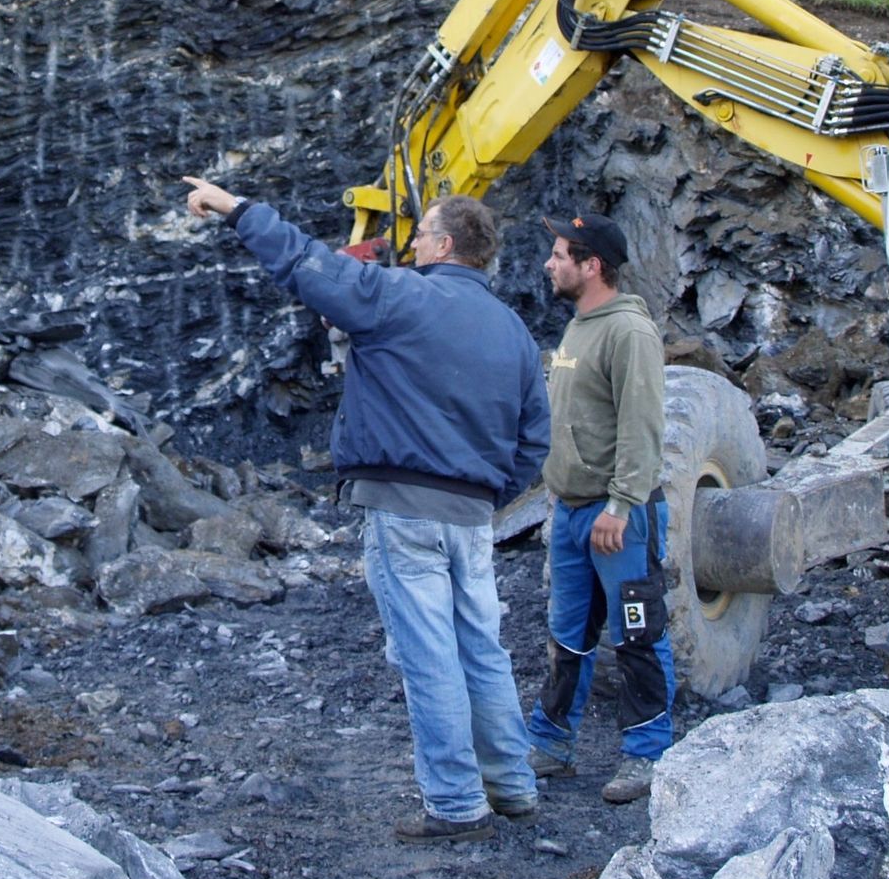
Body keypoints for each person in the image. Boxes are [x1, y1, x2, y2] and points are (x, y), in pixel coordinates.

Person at [182, 176, 549, 843]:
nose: (409, 246)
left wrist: (237, 209)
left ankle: (456, 802)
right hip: (473, 515)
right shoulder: (515, 332)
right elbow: (534, 439)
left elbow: (304, 263)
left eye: (419, 235)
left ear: (441, 243)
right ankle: (514, 786)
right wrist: (488, 494)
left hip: (405, 508)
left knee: (429, 652)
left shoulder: (401, 297)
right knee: (482, 649)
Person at [525, 211, 673, 805]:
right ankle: (551, 743)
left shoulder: (628, 333)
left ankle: (649, 754)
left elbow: (644, 427)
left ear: (593, 266)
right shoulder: (581, 326)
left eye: (561, 254)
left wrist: (620, 504)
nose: (549, 263)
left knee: (637, 634)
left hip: (619, 516)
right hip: (572, 512)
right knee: (568, 634)